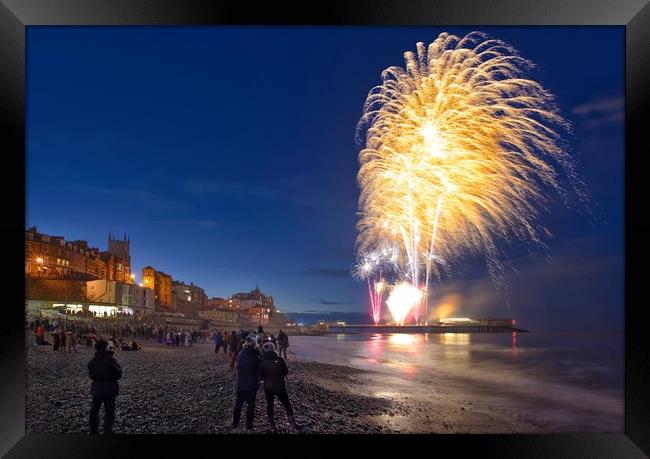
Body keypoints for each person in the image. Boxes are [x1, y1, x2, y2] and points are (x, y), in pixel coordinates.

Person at [260, 341, 299, 432]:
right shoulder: (280, 360)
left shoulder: (262, 362)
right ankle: (292, 423)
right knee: (287, 404)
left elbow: (261, 377)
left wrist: (266, 377)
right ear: (274, 349)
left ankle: (272, 424)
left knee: (270, 405)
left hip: (268, 387)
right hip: (280, 386)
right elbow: (286, 372)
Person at [88, 339, 122, 434]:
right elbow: (119, 374)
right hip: (110, 388)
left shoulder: (93, 361)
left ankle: (93, 431)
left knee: (94, 411)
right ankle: (107, 430)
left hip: (97, 389)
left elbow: (91, 375)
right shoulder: (111, 360)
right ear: (105, 347)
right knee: (109, 411)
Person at [232, 336, 261, 431]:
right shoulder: (256, 355)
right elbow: (259, 371)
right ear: (254, 344)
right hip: (251, 385)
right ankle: (249, 427)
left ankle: (235, 426)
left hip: (240, 383)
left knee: (238, 404)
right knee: (251, 405)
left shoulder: (241, 353)